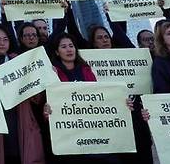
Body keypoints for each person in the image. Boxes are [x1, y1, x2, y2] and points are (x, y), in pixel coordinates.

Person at [44, 33, 135, 164]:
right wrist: (48, 111)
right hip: (70, 138)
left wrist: (121, 104)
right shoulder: (53, 74)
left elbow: (100, 99)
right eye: (63, 47)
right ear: (57, 52)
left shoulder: (87, 70)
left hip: (95, 134)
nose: (69, 49)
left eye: (71, 46)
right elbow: (50, 104)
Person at [0, 23, 45, 164]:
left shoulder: (20, 61)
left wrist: (43, 74)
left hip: (22, 120)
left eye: (5, 39)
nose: (2, 43)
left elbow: (36, 98)